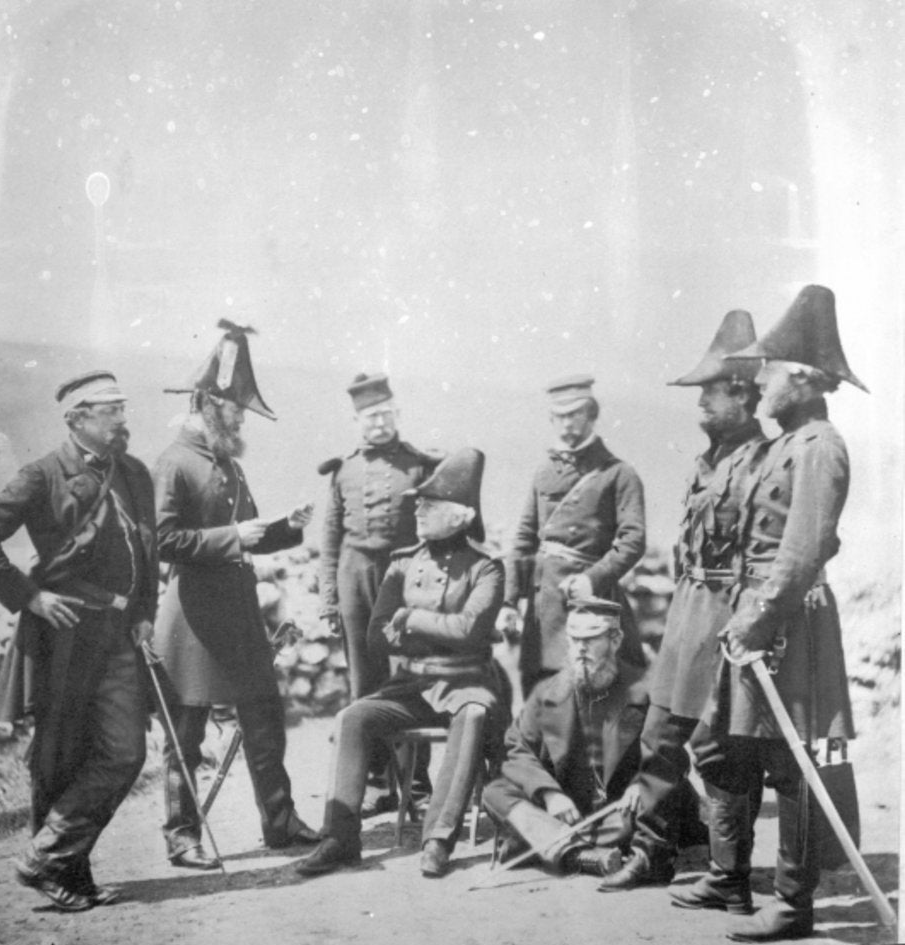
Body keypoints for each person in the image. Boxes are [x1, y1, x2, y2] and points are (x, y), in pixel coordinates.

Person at [678, 285, 866, 942]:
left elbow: (806, 547)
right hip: (757, 617)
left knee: (793, 764)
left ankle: (793, 903)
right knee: (723, 745)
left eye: (772, 370)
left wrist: (756, 618)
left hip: (791, 622)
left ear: (806, 378)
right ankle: (728, 877)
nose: (759, 380)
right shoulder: (780, 443)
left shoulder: (818, 445)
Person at [0, 370, 157, 912]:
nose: (122, 419)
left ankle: (45, 857)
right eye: (110, 410)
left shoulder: (134, 473)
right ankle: (69, 875)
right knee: (59, 755)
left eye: (123, 407)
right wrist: (30, 598)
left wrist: (144, 612)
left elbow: (148, 549)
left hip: (117, 633)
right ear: (78, 419)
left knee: (124, 751)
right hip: (64, 633)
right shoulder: (41, 475)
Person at [599, 311, 767, 892]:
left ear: (742, 395)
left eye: (710, 395)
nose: (700, 406)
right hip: (687, 611)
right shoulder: (709, 461)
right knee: (658, 736)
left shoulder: (761, 462)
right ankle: (653, 853)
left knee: (718, 747)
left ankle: (730, 876)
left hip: (725, 617)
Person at [153, 320, 319, 869]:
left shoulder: (231, 465)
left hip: (239, 613)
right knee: (188, 731)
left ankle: (281, 821)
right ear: (208, 406)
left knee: (264, 719)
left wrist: (287, 528)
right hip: (193, 619)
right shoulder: (174, 463)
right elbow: (164, 539)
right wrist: (230, 539)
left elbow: (249, 533)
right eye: (235, 409)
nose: (242, 417)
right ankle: (182, 835)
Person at [295, 448, 506, 879]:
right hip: (409, 686)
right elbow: (376, 635)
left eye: (430, 505)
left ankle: (438, 839)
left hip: (465, 684)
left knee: (473, 713)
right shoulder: (403, 563)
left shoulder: (487, 570)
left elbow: (470, 630)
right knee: (354, 716)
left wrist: (410, 619)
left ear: (461, 516)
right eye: (419, 504)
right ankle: (340, 839)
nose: (419, 511)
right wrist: (426, 627)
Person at [318, 373, 440, 815]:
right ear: (356, 420)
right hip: (356, 580)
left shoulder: (419, 465)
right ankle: (374, 785)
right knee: (364, 684)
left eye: (386, 414)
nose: (379, 423)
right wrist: (329, 599)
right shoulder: (343, 470)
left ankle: (417, 789)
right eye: (370, 417)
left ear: (398, 415)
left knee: (412, 679)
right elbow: (330, 540)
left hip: (406, 580)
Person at [500, 375, 646, 699]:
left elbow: (633, 540)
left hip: (593, 602)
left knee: (596, 694)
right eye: (559, 416)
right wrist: (510, 601)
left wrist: (592, 579)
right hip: (544, 607)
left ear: (591, 414)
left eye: (575, 414)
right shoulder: (543, 472)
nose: (567, 423)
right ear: (551, 419)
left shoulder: (619, 474)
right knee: (541, 697)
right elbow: (524, 540)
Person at [483, 599, 649, 877]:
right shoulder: (548, 691)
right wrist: (550, 794)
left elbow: (668, 751)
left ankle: (546, 844)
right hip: (564, 807)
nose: (580, 648)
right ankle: (579, 855)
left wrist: (642, 782)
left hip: (617, 809)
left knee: (653, 805)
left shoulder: (644, 689)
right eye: (574, 639)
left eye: (591, 639)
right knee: (495, 792)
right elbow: (517, 747)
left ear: (616, 639)